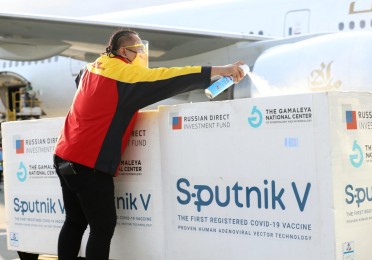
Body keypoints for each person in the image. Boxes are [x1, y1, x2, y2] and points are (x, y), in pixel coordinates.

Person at [53, 29, 246, 260]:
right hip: (88, 162)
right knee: (102, 227)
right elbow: (171, 77)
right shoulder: (125, 75)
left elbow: (83, 84)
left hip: (63, 154)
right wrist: (221, 70)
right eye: (139, 50)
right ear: (124, 51)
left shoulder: (95, 66)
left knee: (74, 222)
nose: (143, 55)